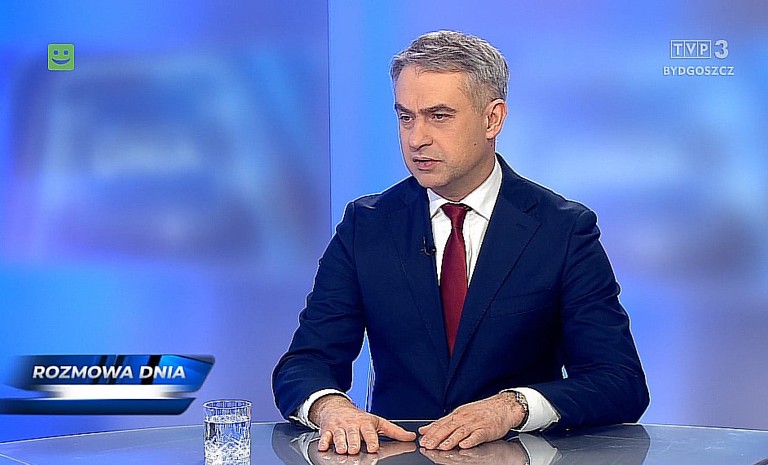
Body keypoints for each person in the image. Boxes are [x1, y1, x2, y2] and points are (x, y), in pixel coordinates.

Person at [272, 30, 649, 456]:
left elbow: (618, 381)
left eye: (439, 116)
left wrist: (512, 407)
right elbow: (304, 363)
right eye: (406, 117)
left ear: (493, 119)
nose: (416, 138)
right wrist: (331, 408)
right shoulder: (368, 226)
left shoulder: (562, 230)